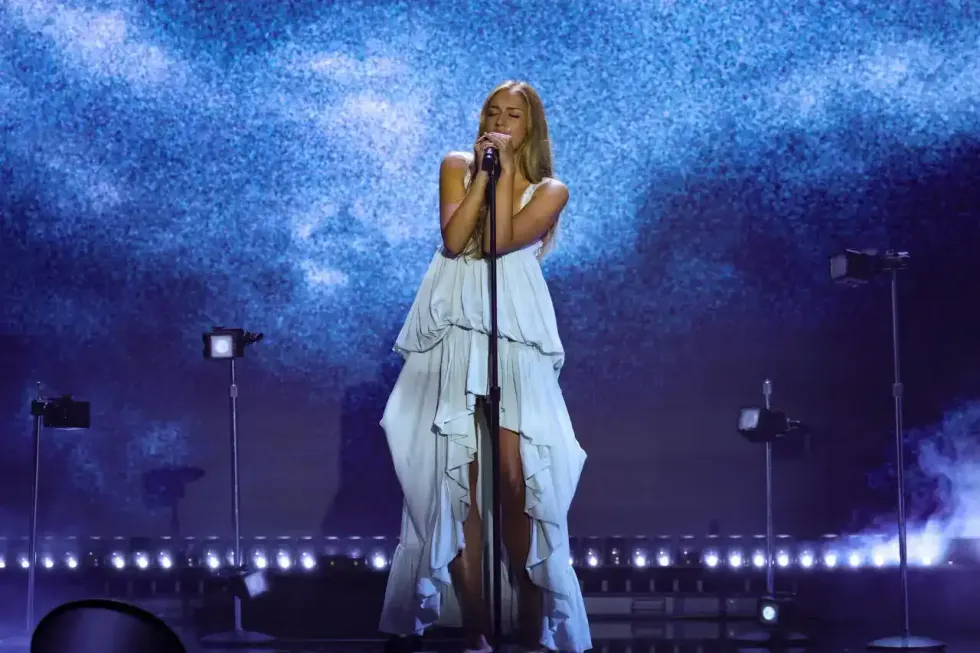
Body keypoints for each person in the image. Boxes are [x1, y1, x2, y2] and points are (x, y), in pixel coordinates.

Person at [379, 80, 591, 653]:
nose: (499, 121)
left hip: (512, 328)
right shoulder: (456, 164)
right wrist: (480, 175)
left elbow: (496, 241)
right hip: (455, 322)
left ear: (531, 127)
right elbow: (454, 241)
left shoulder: (551, 190)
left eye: (513, 115)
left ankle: (528, 625)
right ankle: (475, 627)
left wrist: (502, 179)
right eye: (492, 112)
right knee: (460, 482)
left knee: (516, 476)